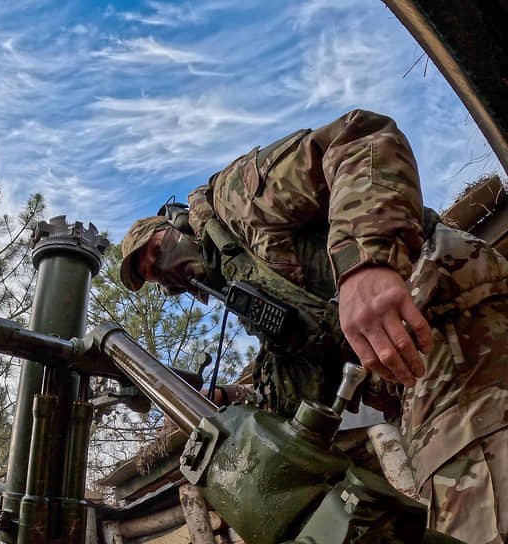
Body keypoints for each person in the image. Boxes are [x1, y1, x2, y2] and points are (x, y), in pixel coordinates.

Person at [119, 109, 508, 544]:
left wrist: (366, 264)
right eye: (153, 275)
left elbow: (359, 139)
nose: (163, 271)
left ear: (177, 226)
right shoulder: (253, 295)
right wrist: (233, 399)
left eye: (156, 251)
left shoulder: (233, 201)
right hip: (414, 373)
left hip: (447, 316)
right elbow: (296, 386)